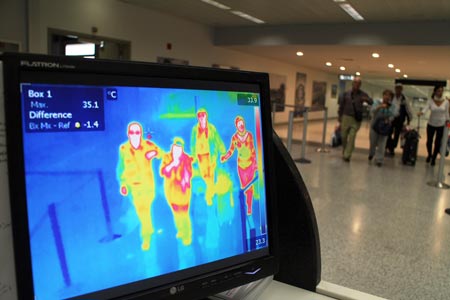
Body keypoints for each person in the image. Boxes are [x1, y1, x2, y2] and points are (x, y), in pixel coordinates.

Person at [117, 121, 162, 251]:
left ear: (141, 134)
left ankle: (147, 238)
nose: (135, 135)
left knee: (144, 212)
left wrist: (154, 153)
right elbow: (121, 170)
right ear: (128, 134)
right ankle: (147, 235)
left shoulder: (148, 145)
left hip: (148, 187)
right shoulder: (124, 149)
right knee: (142, 212)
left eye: (137, 132)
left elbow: (163, 155)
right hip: (134, 188)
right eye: (132, 132)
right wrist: (123, 184)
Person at [221, 116, 257, 215]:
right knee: (244, 187)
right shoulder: (235, 138)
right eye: (239, 124)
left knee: (250, 188)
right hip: (241, 166)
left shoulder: (249, 135)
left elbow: (252, 150)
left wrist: (255, 163)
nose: (241, 125)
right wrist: (225, 157)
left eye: (242, 123)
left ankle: (249, 207)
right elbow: (231, 150)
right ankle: (244, 207)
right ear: (236, 126)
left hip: (250, 165)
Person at [160, 137, 193, 246]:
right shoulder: (167, 157)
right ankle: (180, 231)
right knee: (176, 214)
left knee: (184, 215)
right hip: (171, 192)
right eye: (175, 147)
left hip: (183, 193)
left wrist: (184, 182)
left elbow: (189, 174)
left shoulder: (187, 158)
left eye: (179, 148)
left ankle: (187, 236)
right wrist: (173, 163)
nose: (177, 150)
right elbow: (163, 171)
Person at [190, 108, 226, 206]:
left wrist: (223, 152)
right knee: (206, 177)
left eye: (203, 115)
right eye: (199, 116)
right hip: (200, 158)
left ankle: (209, 197)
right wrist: (193, 157)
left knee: (211, 176)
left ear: (206, 116)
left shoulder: (211, 128)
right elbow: (193, 144)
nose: (201, 118)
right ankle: (211, 193)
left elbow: (218, 140)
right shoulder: (195, 129)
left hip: (211, 156)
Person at [338, 77, 373, 161]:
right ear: (352, 84)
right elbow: (341, 106)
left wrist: (367, 99)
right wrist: (339, 117)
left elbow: (371, 102)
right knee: (343, 136)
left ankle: (347, 155)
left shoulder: (363, 94)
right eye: (355, 83)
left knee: (352, 136)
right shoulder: (346, 93)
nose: (356, 85)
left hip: (356, 119)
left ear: (360, 85)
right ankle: (346, 150)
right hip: (345, 117)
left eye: (358, 83)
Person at [417, 86, 450, 166]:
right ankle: (429, 154)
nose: (440, 92)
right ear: (435, 92)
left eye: (441, 91)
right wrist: (421, 113)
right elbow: (425, 108)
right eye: (438, 91)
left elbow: (446, 113)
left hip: (441, 125)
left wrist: (448, 120)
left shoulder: (446, 102)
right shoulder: (430, 101)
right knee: (429, 141)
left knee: (437, 142)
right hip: (431, 124)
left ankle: (434, 158)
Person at [369, 90, 397, 167]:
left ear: (391, 98)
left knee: (382, 143)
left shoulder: (392, 106)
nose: (387, 97)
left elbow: (394, 115)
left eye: (389, 96)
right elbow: (372, 111)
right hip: (374, 125)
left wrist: (389, 119)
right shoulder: (377, 102)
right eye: (386, 95)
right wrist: (380, 107)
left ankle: (379, 160)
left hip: (384, 126)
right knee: (373, 142)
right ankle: (371, 153)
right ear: (383, 95)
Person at [386, 83, 413, 155]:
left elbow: (408, 109)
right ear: (395, 89)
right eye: (397, 88)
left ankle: (392, 147)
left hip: (399, 119)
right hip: (391, 118)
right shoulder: (392, 97)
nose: (398, 90)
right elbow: (387, 105)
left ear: (401, 89)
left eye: (400, 88)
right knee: (388, 132)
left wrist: (409, 118)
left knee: (397, 135)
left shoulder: (404, 99)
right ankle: (389, 145)